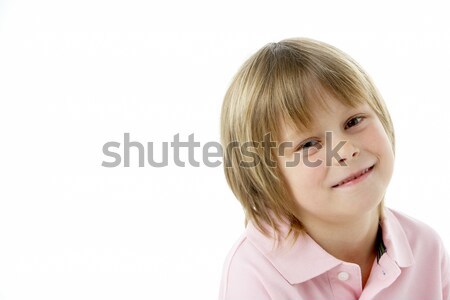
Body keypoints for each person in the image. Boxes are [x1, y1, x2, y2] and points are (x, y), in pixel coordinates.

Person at [218, 38, 450, 300]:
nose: (345, 150)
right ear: (265, 175)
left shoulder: (425, 247)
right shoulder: (254, 275)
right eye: (309, 144)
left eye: (354, 121)